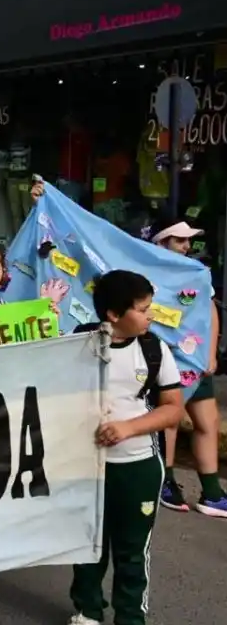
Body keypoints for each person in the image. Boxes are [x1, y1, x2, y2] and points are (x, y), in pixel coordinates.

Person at [68, 270, 184, 625]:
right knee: (88, 546)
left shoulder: (153, 348)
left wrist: (127, 428)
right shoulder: (78, 343)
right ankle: (87, 611)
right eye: (143, 309)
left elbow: (173, 409)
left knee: (132, 553)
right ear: (114, 315)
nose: (150, 315)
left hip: (137, 467)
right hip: (86, 466)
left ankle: (130, 617)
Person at [145, 218, 227, 516]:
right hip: (165, 359)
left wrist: (211, 352)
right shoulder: (145, 269)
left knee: (209, 422)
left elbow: (210, 309)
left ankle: (212, 492)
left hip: (196, 359)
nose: (187, 246)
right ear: (162, 241)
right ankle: (166, 482)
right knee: (170, 420)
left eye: (188, 240)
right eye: (180, 240)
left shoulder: (197, 273)